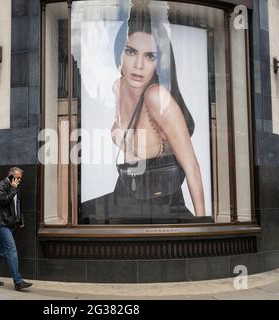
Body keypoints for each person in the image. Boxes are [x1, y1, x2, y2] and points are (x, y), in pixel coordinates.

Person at [81, 0, 205, 224]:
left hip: (161, 203)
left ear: (159, 64)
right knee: (83, 214)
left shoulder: (156, 97)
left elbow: (192, 167)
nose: (138, 65)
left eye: (150, 56)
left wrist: (205, 226)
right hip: (125, 194)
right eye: (130, 51)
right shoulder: (118, 87)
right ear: (120, 55)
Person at [0, 167, 33, 291]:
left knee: (0, 252)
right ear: (11, 176)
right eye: (17, 178)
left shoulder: (14, 187)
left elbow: (17, 205)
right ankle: (18, 281)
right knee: (11, 250)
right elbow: (3, 201)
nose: (19, 180)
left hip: (10, 223)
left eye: (20, 178)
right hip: (1, 223)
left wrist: (20, 220)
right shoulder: (0, 186)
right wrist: (13, 189)